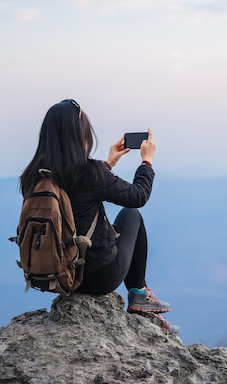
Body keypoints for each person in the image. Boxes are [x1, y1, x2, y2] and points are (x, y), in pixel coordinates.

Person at [19, 98, 178, 334]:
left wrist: (109, 163)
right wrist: (147, 161)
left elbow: (77, 193)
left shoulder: (33, 176)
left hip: (59, 276)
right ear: (81, 135)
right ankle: (139, 293)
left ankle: (140, 294)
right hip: (99, 277)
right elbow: (138, 196)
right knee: (131, 215)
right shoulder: (90, 172)